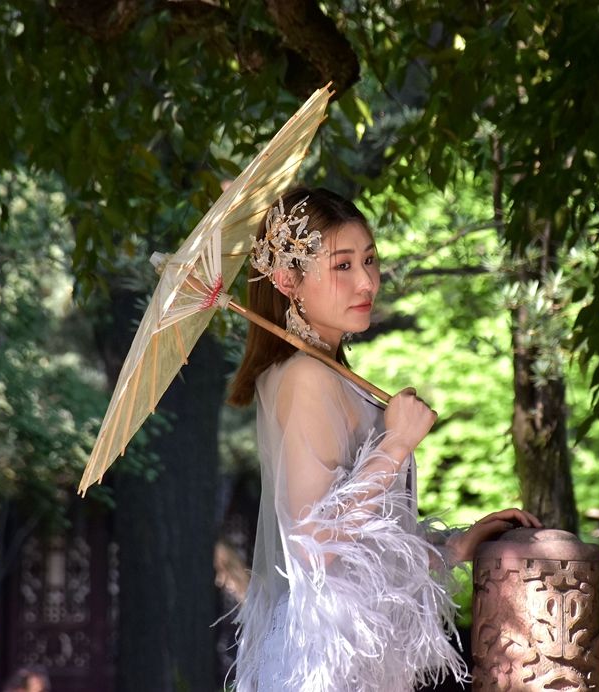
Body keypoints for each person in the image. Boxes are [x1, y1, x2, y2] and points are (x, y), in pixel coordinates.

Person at [229, 187, 541, 691]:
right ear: (288, 280)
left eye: (370, 260)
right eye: (343, 265)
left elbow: (368, 548)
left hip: (363, 659)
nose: (367, 281)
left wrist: (455, 546)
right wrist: (395, 446)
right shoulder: (306, 378)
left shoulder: (327, 376)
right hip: (331, 666)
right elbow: (316, 547)